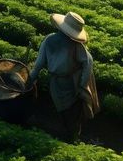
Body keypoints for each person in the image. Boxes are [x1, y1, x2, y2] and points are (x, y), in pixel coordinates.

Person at [29, 11, 99, 142]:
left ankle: (72, 137)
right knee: (65, 110)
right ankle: (69, 135)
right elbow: (89, 62)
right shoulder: (53, 41)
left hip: (69, 83)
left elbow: (88, 62)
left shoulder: (67, 44)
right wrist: (82, 85)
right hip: (61, 84)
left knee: (71, 112)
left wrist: (82, 85)